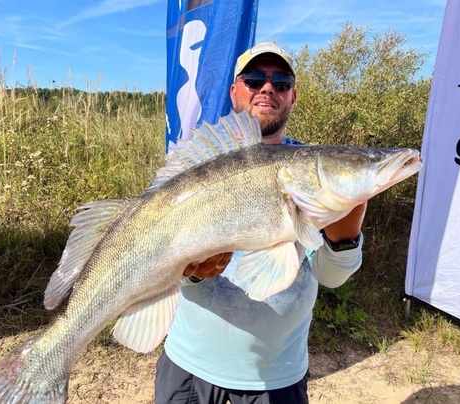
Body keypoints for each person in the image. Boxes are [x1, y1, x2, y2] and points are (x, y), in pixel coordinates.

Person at [154, 42, 367, 404]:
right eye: (254, 79)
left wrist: (347, 230)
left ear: (293, 96)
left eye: (281, 82)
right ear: (235, 89)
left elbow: (331, 277)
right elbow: (157, 260)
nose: (268, 88)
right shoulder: (194, 166)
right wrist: (189, 271)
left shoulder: (315, 170)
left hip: (276, 378)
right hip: (190, 368)